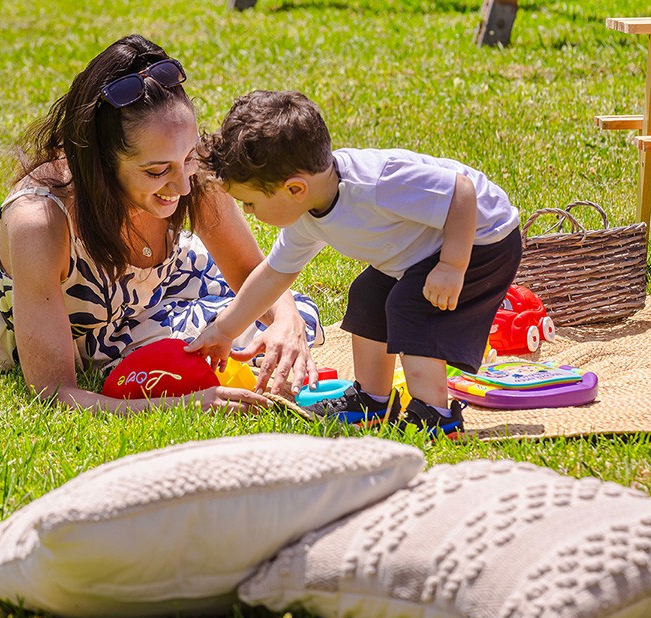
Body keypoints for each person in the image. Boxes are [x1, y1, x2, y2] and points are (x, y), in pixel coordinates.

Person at [0, 37, 323, 414]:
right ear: (102, 164)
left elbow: (248, 269)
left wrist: (287, 324)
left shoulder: (186, 172)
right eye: (157, 171)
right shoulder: (39, 223)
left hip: (165, 281)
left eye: (189, 156)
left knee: (297, 319)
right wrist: (186, 404)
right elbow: (54, 393)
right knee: (203, 363)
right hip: (92, 335)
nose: (184, 185)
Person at [187, 90, 521, 435]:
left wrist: (452, 266)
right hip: (421, 253)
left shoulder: (376, 183)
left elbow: (462, 193)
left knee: (409, 305)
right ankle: (374, 402)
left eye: (251, 204)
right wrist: (223, 330)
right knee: (368, 293)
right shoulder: (305, 211)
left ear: (295, 189)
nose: (248, 213)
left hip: (481, 239)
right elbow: (273, 274)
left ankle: (435, 415)